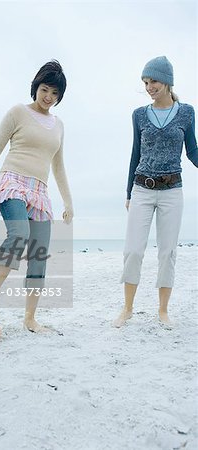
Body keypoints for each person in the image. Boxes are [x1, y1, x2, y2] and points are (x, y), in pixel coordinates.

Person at [0, 60, 73, 337]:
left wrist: (68, 202)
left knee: (38, 255)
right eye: (44, 89)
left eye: (54, 94)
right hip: (13, 182)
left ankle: (30, 318)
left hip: (40, 191)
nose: (48, 97)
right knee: (19, 235)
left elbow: (58, 167)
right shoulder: (17, 113)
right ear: (36, 87)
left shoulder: (59, 125)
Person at [114, 56, 198, 328]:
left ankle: (162, 310)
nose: (149, 86)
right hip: (142, 189)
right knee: (133, 251)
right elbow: (135, 154)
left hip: (172, 191)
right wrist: (128, 193)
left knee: (167, 252)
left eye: (154, 81)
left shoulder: (186, 112)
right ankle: (127, 308)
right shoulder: (138, 114)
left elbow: (192, 150)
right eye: (146, 82)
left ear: (168, 82)